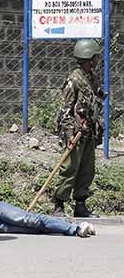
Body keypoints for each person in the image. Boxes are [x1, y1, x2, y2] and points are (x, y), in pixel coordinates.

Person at [53, 39, 104, 218]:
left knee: (87, 169)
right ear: (88, 57)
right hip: (75, 132)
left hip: (89, 131)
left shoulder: (91, 77)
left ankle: (80, 206)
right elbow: (65, 110)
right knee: (69, 168)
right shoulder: (73, 80)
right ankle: (58, 205)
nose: (98, 60)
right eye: (96, 57)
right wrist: (68, 134)